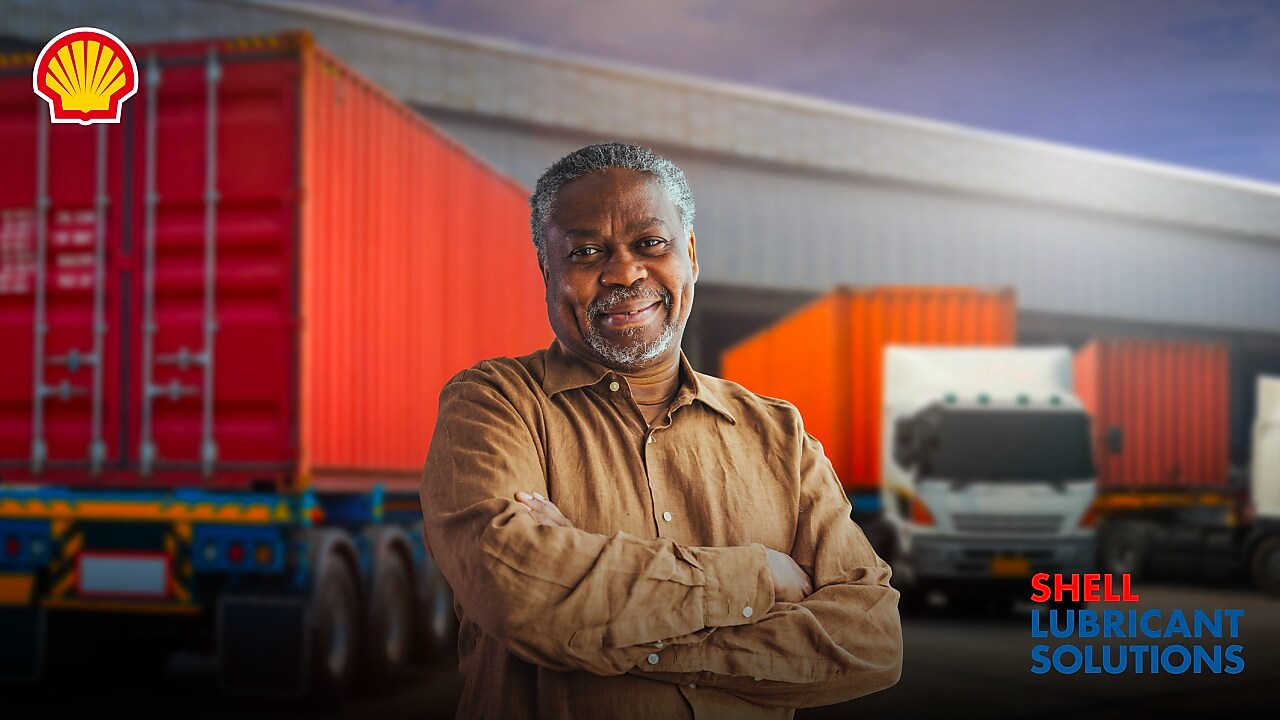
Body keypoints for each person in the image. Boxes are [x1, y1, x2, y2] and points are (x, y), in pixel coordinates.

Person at [420, 142, 902, 720]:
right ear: (548, 272)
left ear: (691, 255)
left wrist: (608, 628)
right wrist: (756, 579)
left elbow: (871, 642)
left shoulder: (779, 434)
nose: (623, 272)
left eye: (650, 243)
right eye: (585, 251)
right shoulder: (495, 403)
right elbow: (513, 590)